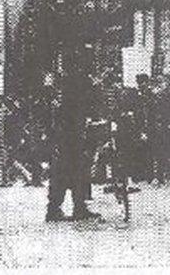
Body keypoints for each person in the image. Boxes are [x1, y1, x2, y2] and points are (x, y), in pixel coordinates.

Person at [46, 64, 101, 222]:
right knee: (74, 173)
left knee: (64, 174)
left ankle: (60, 208)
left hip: (65, 140)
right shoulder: (73, 97)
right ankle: (74, 208)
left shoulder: (63, 95)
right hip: (70, 140)